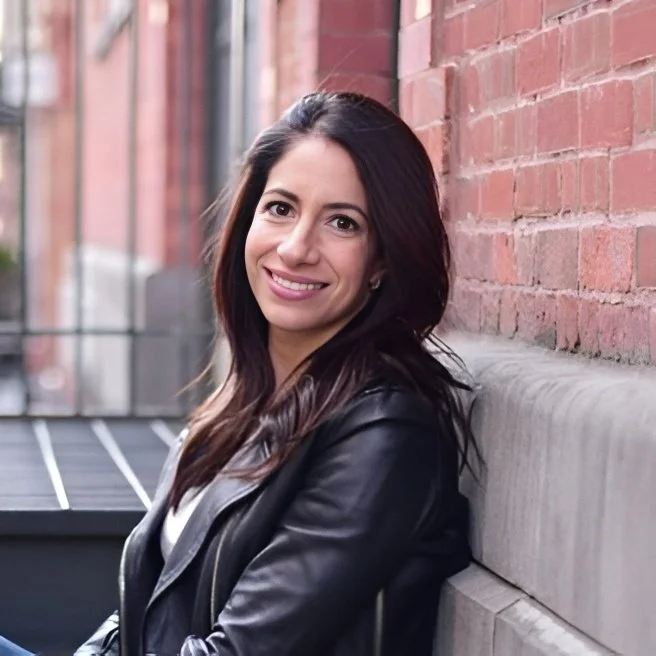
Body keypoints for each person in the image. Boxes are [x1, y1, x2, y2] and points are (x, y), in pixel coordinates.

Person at [4, 91, 476, 656]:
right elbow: (143, 608)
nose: (297, 248)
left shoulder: (383, 433)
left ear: (382, 261)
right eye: (280, 208)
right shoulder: (245, 403)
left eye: (343, 223)